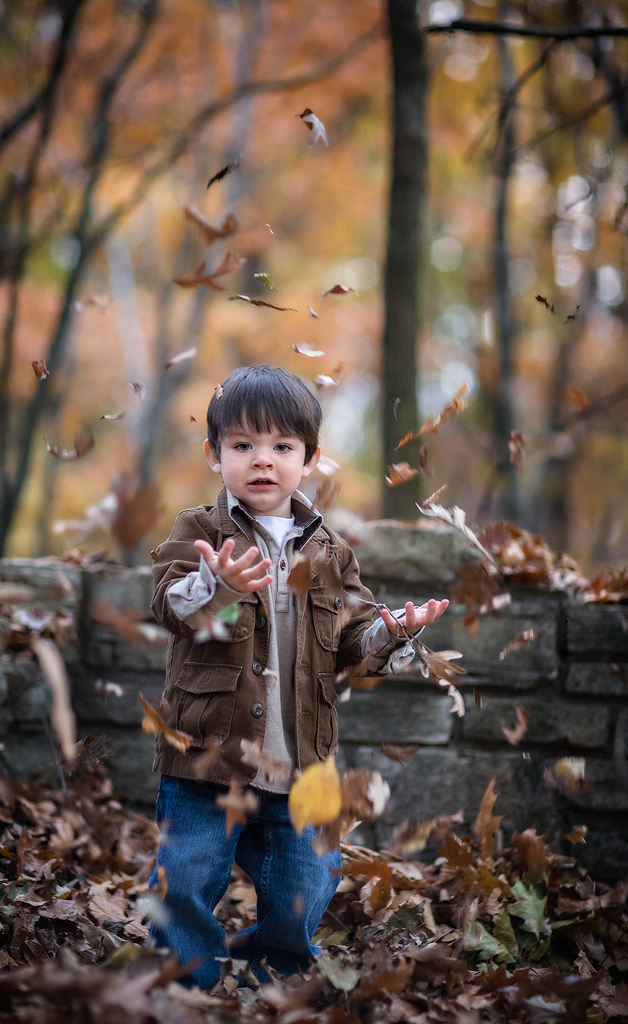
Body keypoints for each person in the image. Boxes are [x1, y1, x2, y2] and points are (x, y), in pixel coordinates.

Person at [148, 364, 449, 988]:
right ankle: (182, 982)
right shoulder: (199, 532)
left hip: (300, 761)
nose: (263, 460)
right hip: (208, 755)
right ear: (214, 454)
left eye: (282, 446)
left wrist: (394, 632)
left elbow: (352, 643)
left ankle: (275, 970)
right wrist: (219, 587)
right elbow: (171, 606)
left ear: (308, 459)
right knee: (188, 876)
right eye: (243, 446)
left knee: (304, 882)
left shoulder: (330, 554)